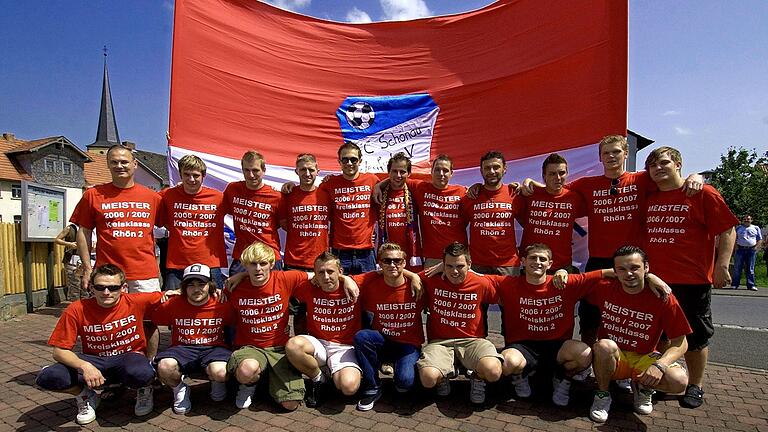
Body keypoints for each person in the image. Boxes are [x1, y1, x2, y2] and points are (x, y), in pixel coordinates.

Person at [643, 146, 737, 409]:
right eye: (653, 165)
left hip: (693, 280)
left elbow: (727, 229)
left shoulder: (702, 193)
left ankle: (696, 385)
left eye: (664, 163)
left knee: (695, 337)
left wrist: (722, 265)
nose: (658, 169)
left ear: (678, 164)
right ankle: (662, 378)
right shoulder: (649, 195)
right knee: (660, 336)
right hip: (655, 280)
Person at [224, 241, 359, 411]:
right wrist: (240, 276)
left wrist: (345, 278)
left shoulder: (285, 278)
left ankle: (270, 379)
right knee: (246, 371)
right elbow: (209, 297)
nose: (258, 268)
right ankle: (250, 384)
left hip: (279, 349)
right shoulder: (234, 287)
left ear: (271, 264)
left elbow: (317, 274)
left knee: (291, 404)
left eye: (263, 263)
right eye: (253, 264)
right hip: (252, 347)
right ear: (245, 265)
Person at [35, 264, 161, 425]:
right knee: (48, 377)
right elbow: (59, 351)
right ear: (92, 288)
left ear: (123, 288)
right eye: (100, 287)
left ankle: (144, 389)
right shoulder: (76, 309)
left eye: (113, 287)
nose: (106, 292)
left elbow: (174, 295)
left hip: (128, 357)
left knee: (143, 373)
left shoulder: (136, 301)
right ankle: (85, 395)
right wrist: (84, 366)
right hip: (94, 360)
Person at [70, 144, 162, 357]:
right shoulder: (93, 195)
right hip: (108, 273)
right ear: (108, 164)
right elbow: (83, 233)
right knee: (109, 323)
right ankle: (113, 371)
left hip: (144, 273)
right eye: (114, 162)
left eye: (124, 162)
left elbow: (176, 225)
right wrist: (87, 267)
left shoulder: (153, 197)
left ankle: (147, 369)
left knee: (149, 323)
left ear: (135, 165)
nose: (120, 166)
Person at [586, 246, 691, 423]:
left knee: (679, 381)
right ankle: (603, 394)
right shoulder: (604, 287)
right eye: (622, 269)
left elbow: (681, 342)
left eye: (635, 268)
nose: (629, 274)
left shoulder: (662, 296)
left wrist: (660, 365)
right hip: (615, 357)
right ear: (614, 271)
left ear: (646, 267)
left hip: (644, 358)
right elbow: (578, 282)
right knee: (603, 346)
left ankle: (643, 386)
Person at [497, 244, 600, 406]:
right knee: (506, 362)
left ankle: (563, 378)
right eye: (532, 258)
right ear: (523, 261)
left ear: (550, 264)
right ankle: (519, 376)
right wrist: (441, 267)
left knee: (585, 354)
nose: (537, 262)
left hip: (557, 346)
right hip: (523, 346)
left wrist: (647, 276)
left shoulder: (563, 283)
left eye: (542, 259)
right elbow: (471, 276)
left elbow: (603, 274)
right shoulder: (508, 283)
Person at [417, 242, 503, 404]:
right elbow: (405, 277)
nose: (454, 271)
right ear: (443, 264)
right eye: (449, 266)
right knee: (428, 378)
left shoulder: (481, 282)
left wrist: (561, 273)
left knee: (493, 371)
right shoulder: (432, 279)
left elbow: (515, 285)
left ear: (469, 264)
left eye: (460, 266)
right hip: (440, 342)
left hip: (473, 341)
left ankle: (478, 377)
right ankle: (444, 375)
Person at [151, 264, 235, 414]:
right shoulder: (172, 303)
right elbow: (149, 319)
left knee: (221, 372)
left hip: (213, 348)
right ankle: (179, 389)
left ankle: (217, 381)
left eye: (201, 284)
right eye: (191, 285)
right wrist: (162, 297)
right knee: (164, 367)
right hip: (182, 349)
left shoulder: (222, 303)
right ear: (183, 287)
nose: (196, 289)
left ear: (210, 285)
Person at [353, 243, 425, 411]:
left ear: (404, 263)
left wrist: (413, 276)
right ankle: (372, 386)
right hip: (383, 340)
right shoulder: (371, 284)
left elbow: (446, 267)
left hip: (408, 345)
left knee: (404, 383)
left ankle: (402, 367)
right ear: (379, 263)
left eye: (397, 261)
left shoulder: (419, 284)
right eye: (387, 261)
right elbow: (341, 278)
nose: (392, 265)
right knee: (362, 337)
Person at [285, 252, 362, 408]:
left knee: (348, 388)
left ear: (340, 271)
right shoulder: (308, 287)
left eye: (330, 271)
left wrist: (347, 279)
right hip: (318, 344)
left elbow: (385, 272)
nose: (326, 277)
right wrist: (238, 276)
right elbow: (277, 277)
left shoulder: (356, 283)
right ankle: (318, 378)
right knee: (293, 345)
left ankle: (332, 372)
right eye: (321, 272)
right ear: (315, 274)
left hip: (344, 347)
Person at [159, 155, 228, 289]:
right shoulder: (166, 195)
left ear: (203, 176)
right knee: (172, 306)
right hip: (177, 264)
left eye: (196, 175)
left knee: (214, 306)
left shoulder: (219, 198)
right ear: (180, 174)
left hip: (210, 264)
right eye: (187, 174)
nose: (191, 179)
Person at [513, 154, 585, 272]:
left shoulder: (574, 198)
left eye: (561, 173)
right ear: (544, 176)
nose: (557, 177)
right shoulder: (529, 194)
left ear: (567, 174)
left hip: (561, 267)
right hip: (531, 265)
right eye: (552, 174)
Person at [223, 151, 284, 275]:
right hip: (243, 257)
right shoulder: (232, 189)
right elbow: (216, 209)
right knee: (235, 293)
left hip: (269, 256)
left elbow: (283, 224)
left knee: (273, 294)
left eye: (255, 170)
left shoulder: (276, 197)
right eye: (247, 170)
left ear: (264, 170)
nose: (251, 175)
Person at [461, 151, 521, 275]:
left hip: (508, 264)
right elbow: (458, 227)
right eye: (487, 168)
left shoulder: (514, 194)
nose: (492, 171)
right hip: (477, 263)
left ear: (504, 169)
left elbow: (528, 223)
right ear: (481, 171)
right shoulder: (471, 197)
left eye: (496, 167)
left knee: (508, 295)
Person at [280, 154, 331, 271]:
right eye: (303, 169)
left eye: (311, 170)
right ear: (296, 171)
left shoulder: (326, 195)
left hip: (320, 262)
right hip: (293, 262)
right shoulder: (288, 195)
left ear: (318, 171)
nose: (307, 173)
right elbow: (283, 224)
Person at [375, 153, 422, 270]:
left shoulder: (415, 189)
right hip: (388, 255)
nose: (398, 175)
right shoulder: (379, 193)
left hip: (412, 254)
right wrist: (378, 186)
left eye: (402, 172)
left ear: (409, 173)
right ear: (388, 172)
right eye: (394, 171)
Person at [731, 215, 762, 291]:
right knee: (737, 268)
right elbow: (734, 238)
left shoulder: (756, 228)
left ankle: (751, 285)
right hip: (740, 250)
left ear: (751, 220)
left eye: (748, 219)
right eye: (744, 219)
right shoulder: (738, 228)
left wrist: (756, 248)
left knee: (750, 268)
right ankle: (735, 284)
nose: (746, 220)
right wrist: (736, 247)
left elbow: (760, 239)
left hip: (751, 250)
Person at [55, 223, 82, 300]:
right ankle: (74, 306)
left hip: (86, 259)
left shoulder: (89, 228)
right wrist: (69, 244)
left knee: (85, 286)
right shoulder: (70, 228)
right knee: (74, 285)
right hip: (72, 259)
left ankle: (85, 307)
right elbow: (57, 239)